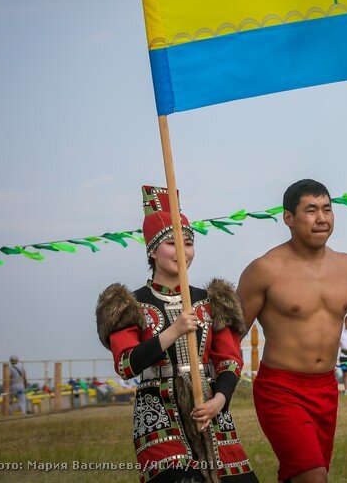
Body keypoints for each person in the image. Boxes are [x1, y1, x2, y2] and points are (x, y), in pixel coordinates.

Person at [239, 179, 347, 483]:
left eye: (327, 209)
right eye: (311, 210)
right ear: (289, 218)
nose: (321, 218)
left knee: (301, 475)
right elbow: (234, 332)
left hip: (325, 389)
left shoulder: (346, 267)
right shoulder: (265, 269)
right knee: (313, 477)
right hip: (280, 390)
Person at [95, 185, 258, 483]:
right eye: (172, 243)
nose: (183, 251)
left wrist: (219, 400)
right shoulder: (129, 304)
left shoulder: (211, 300)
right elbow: (127, 365)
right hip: (158, 413)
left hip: (209, 408)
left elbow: (229, 362)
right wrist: (174, 331)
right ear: (153, 251)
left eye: (189, 243)